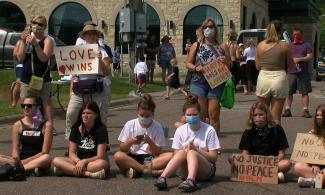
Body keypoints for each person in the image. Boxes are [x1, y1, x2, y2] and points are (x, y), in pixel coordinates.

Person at [154, 95, 220, 192]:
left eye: (194, 114)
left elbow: (214, 157)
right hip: (184, 170)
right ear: (184, 116)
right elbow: (176, 154)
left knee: (192, 152)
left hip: (206, 170)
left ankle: (191, 180)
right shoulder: (180, 130)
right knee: (182, 152)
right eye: (188, 115)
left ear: (200, 113)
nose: (191, 117)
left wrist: (197, 150)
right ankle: (162, 177)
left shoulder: (209, 130)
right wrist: (185, 150)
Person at [65, 24, 111, 140]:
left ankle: (100, 142)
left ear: (96, 36)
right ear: (84, 37)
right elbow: (73, 74)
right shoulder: (77, 52)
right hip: (79, 87)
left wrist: (100, 60)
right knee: (71, 113)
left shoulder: (102, 51)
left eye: (93, 34)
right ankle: (72, 141)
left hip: (98, 87)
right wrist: (71, 91)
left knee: (100, 116)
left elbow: (107, 72)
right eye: (88, 34)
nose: (90, 36)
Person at [186, 18, 231, 134]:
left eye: (211, 26)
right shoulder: (197, 45)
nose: (208, 29)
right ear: (202, 29)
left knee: (213, 115)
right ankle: (201, 142)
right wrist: (196, 68)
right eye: (205, 27)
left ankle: (214, 145)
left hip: (216, 83)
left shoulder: (223, 46)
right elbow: (188, 63)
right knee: (201, 115)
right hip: (198, 83)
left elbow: (229, 65)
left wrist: (224, 60)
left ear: (215, 29)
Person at [113, 94, 173, 178]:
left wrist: (150, 141)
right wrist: (131, 141)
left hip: (149, 159)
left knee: (170, 156)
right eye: (141, 115)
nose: (144, 118)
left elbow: (157, 153)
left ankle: (135, 171)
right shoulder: (130, 124)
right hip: (132, 157)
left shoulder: (157, 126)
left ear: (153, 114)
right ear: (137, 111)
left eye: (147, 116)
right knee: (118, 155)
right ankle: (146, 171)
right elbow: (122, 148)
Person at [230, 102, 291, 182]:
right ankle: (272, 175)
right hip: (254, 164)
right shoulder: (248, 131)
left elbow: (282, 154)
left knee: (287, 163)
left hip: (271, 163)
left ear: (267, 115)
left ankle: (259, 174)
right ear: (251, 117)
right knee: (231, 158)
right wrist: (252, 162)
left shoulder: (277, 129)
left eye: (261, 114)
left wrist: (273, 160)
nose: (258, 118)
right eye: (255, 115)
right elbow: (245, 153)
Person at [16, 15, 55, 134]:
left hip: (42, 77)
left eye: (40, 24)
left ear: (44, 27)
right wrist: (23, 41)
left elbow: (44, 58)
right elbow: (20, 58)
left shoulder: (48, 40)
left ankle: (49, 127)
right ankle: (28, 126)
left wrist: (36, 45)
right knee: (27, 103)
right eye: (34, 23)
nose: (37, 26)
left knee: (46, 102)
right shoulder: (26, 39)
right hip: (27, 78)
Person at [52, 102, 109, 179]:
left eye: (89, 113)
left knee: (102, 164)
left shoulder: (101, 129)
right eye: (83, 113)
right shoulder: (76, 128)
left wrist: (84, 161)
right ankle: (89, 174)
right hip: (77, 161)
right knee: (56, 160)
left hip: (93, 162)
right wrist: (79, 161)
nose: (85, 115)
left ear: (96, 115)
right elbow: (71, 153)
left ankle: (67, 170)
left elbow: (100, 156)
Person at [0, 96, 52, 175]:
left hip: (38, 159)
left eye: (29, 106)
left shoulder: (46, 125)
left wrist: (24, 162)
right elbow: (15, 149)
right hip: (20, 160)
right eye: (23, 106)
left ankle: (17, 170)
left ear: (38, 107)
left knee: (47, 158)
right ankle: (29, 169)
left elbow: (44, 152)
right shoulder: (17, 125)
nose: (26, 108)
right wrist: (16, 159)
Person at [255, 20, 294, 125]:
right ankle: (275, 140)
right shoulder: (284, 46)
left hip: (264, 78)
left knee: (262, 115)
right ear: (280, 32)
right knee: (276, 118)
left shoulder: (260, 46)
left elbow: (258, 66)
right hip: (279, 78)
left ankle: (262, 139)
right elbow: (291, 65)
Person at [282, 27, 313, 118]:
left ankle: (305, 110)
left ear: (301, 35)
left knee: (304, 92)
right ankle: (287, 110)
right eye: (294, 34)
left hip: (303, 73)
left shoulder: (307, 45)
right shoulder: (289, 46)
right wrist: (291, 61)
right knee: (289, 92)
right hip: (291, 72)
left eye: (298, 34)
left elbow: (309, 57)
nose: (296, 36)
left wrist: (300, 59)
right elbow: (285, 58)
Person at [294, 104, 325, 187]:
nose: (319, 117)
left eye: (322, 115)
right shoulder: (311, 133)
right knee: (298, 167)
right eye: (317, 115)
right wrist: (315, 164)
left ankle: (313, 181)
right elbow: (307, 155)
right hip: (315, 168)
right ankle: (318, 181)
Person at [11, 40, 23, 107]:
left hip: (31, 64)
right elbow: (14, 53)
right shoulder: (20, 42)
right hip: (21, 64)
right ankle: (14, 102)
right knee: (19, 82)